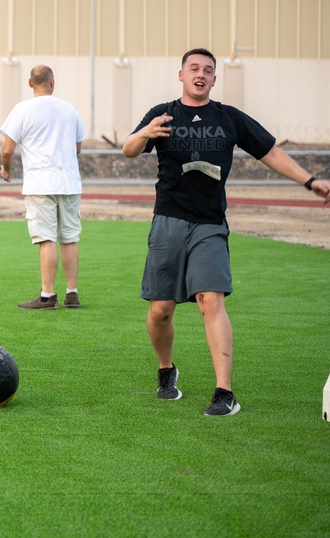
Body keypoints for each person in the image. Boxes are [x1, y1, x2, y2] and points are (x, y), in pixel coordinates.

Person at [122, 48, 330, 417]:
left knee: (210, 301)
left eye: (208, 70)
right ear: (181, 75)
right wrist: (146, 133)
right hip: (168, 221)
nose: (200, 74)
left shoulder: (229, 117)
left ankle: (224, 393)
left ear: (214, 79)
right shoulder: (163, 114)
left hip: (210, 224)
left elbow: (270, 153)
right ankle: (166, 370)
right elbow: (128, 150)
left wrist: (310, 181)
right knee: (160, 311)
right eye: (194, 69)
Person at [0, 65, 86, 310]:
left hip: (39, 183)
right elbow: (77, 148)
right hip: (68, 182)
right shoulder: (69, 109)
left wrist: (6, 169)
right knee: (69, 237)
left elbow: (7, 149)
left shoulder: (22, 110)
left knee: (46, 237)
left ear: (30, 83)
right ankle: (72, 292)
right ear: (52, 82)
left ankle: (48, 295)